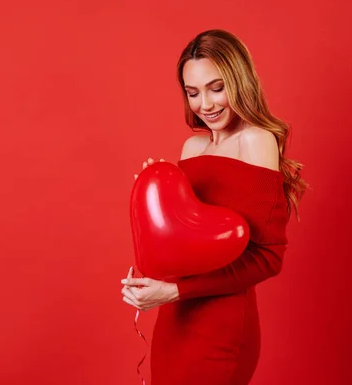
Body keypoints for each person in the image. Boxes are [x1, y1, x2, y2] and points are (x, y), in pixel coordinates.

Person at [120, 29, 307, 384]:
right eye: (193, 92)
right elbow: (185, 246)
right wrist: (152, 199)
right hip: (175, 319)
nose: (205, 104)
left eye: (216, 88)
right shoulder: (191, 150)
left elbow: (268, 257)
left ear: (240, 82)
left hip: (221, 325)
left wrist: (173, 291)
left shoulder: (255, 140)